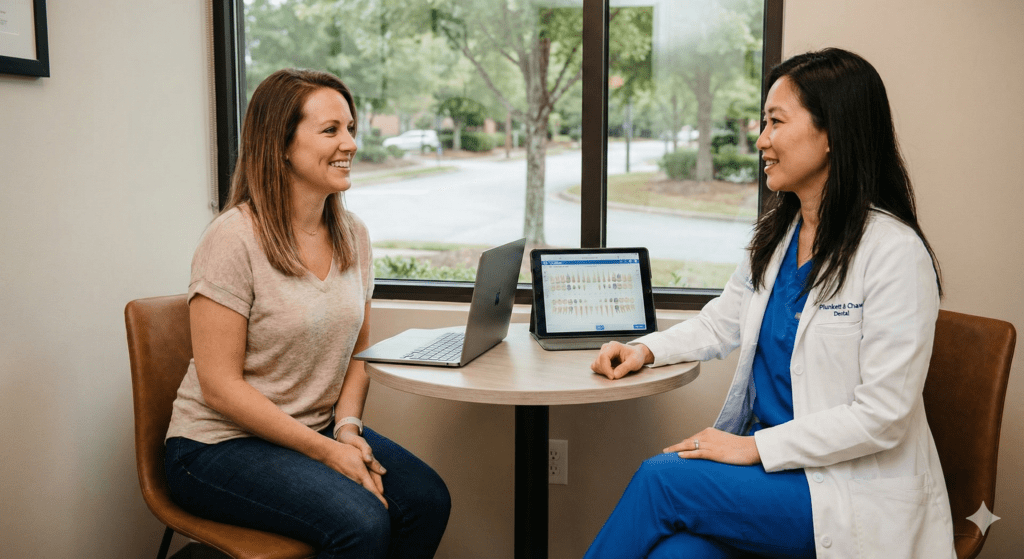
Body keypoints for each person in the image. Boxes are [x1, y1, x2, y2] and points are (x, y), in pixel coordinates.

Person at [584, 49, 955, 559]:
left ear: (831, 136)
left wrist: (752, 446)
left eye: (775, 122)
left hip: (840, 487)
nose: (761, 141)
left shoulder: (893, 253)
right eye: (763, 123)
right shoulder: (778, 236)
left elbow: (883, 415)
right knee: (678, 556)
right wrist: (644, 349)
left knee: (663, 481)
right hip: (771, 475)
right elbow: (721, 321)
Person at [163, 68, 450, 559]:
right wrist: (326, 453)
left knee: (426, 500)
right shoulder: (233, 238)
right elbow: (219, 386)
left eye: (352, 128)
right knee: (361, 524)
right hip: (216, 446)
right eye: (331, 130)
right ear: (281, 145)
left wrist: (347, 429)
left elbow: (361, 349)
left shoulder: (352, 234)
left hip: (315, 430)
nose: (351, 144)